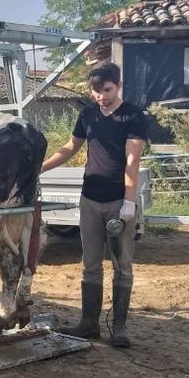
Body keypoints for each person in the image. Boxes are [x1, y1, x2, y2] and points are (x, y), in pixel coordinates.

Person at [41, 62, 147, 348]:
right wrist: (38, 168)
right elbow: (70, 148)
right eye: (96, 91)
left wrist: (128, 202)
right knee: (90, 264)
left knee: (122, 264)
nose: (101, 96)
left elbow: (131, 161)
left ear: (118, 85)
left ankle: (120, 328)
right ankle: (89, 323)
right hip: (89, 199)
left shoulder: (133, 116)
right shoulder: (87, 115)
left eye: (107, 90)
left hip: (117, 202)